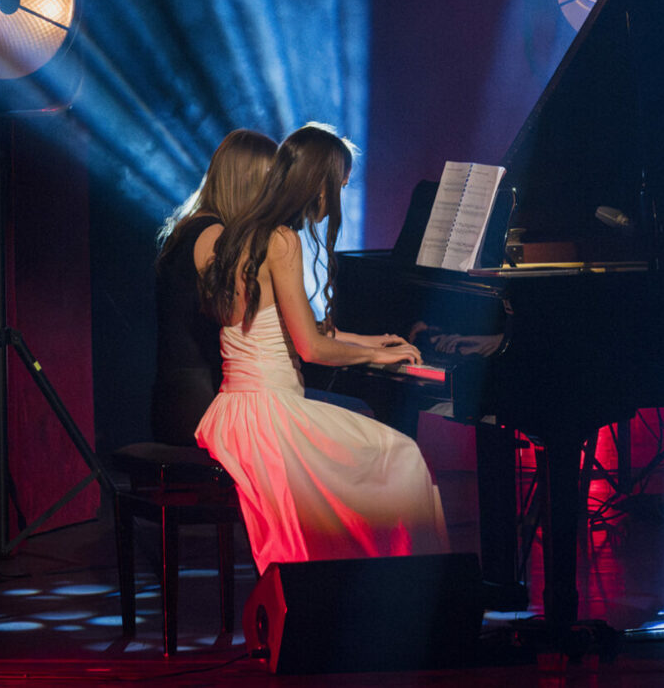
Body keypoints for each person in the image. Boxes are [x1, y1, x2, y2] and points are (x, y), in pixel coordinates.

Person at [194, 123, 448, 570]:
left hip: (233, 414)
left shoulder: (235, 234)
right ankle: (412, 587)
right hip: (270, 419)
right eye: (340, 186)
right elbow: (310, 349)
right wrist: (376, 355)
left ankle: (376, 580)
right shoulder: (282, 240)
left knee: (377, 456)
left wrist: (370, 340)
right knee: (402, 455)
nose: (338, 199)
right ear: (319, 186)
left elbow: (276, 327)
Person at [152, 128, 278, 446]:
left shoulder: (194, 226)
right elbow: (235, 316)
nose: (275, 194)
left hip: (180, 389)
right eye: (270, 181)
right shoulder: (213, 235)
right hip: (197, 398)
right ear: (247, 181)